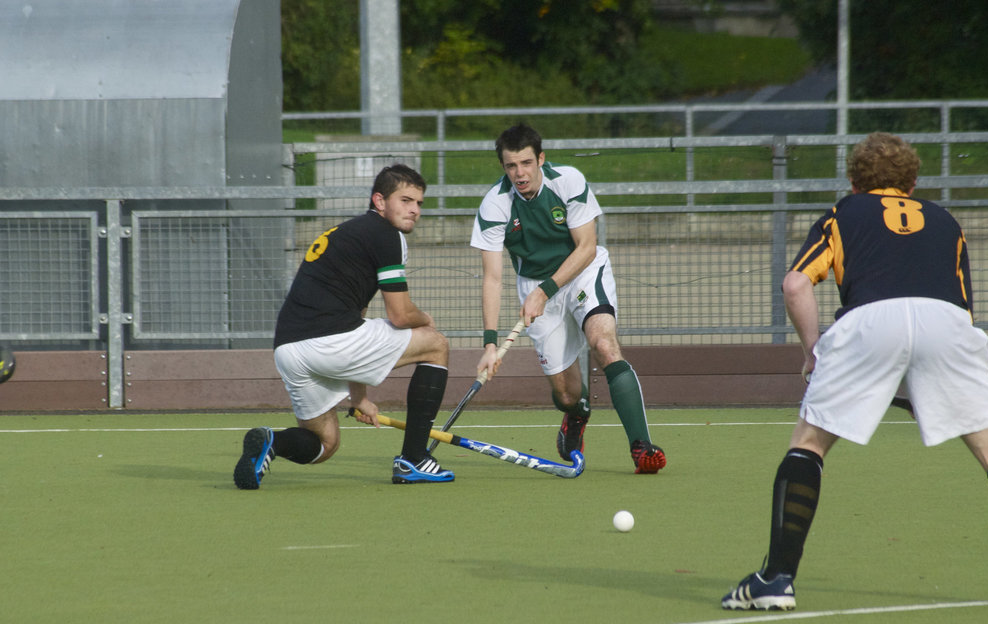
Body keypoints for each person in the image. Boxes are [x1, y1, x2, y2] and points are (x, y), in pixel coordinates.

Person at [721, 132, 988, 610]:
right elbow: (962, 312)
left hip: (868, 321)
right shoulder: (947, 221)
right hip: (947, 323)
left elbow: (795, 284)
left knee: (809, 445)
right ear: (914, 180)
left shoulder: (843, 213)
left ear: (854, 181)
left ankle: (775, 579)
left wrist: (812, 351)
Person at [233, 164, 454, 489]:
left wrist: (358, 397)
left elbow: (357, 319)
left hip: (289, 350)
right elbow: (400, 316)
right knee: (436, 345)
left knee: (325, 442)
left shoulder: (348, 233)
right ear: (379, 201)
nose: (414, 210)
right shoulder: (387, 235)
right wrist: (426, 321)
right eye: (406, 200)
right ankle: (415, 459)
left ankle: (272, 442)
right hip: (329, 342)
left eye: (419, 203)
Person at [470, 123, 666, 474]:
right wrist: (489, 343)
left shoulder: (568, 181)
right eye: (511, 166)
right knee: (566, 395)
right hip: (534, 286)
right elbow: (493, 277)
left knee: (604, 345)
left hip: (581, 273)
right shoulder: (494, 205)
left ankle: (641, 448)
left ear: (540, 159)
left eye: (526, 163)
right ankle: (577, 414)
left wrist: (545, 291)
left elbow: (587, 248)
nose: (520, 173)